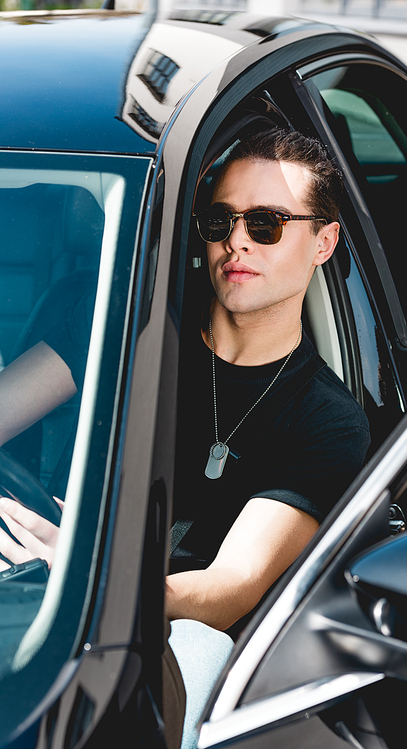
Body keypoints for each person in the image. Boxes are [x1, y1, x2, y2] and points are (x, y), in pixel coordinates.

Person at [0, 128, 371, 749]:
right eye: (220, 219)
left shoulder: (327, 420)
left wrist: (88, 578)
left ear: (323, 242)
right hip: (26, 569)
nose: (237, 242)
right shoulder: (124, 325)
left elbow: (228, 592)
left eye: (267, 224)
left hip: (160, 636)